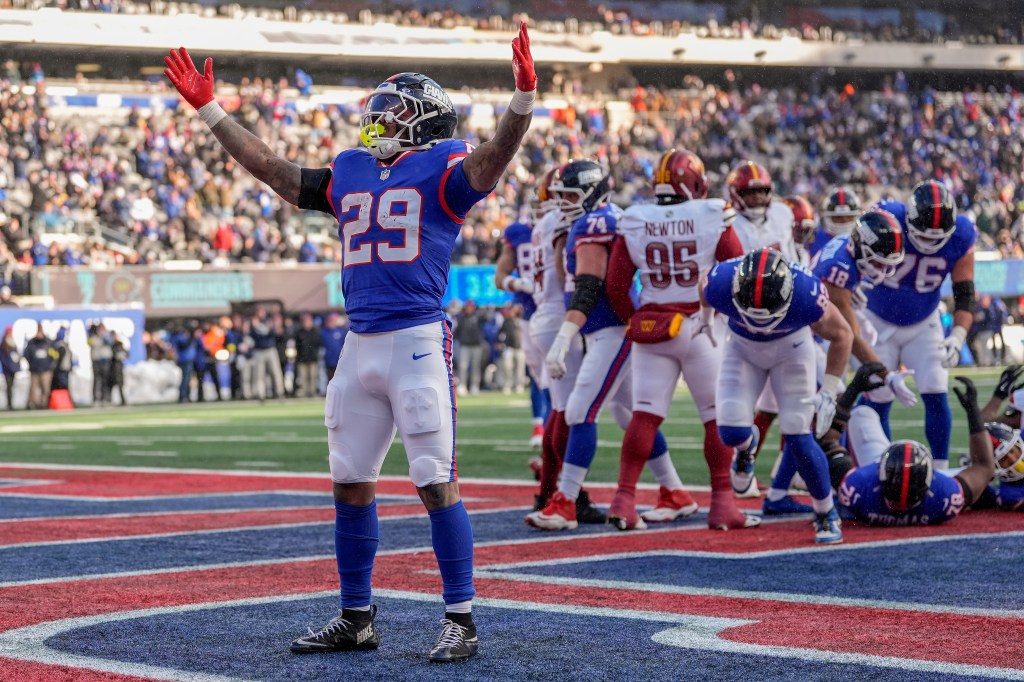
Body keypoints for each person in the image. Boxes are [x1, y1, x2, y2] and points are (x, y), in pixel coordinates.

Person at [164, 21, 535, 661]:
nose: (377, 119)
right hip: (359, 343)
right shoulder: (352, 170)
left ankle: (461, 619)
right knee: (349, 480)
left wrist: (522, 101)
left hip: (416, 339)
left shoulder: (444, 168)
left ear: (423, 121)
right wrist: (210, 110)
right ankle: (356, 616)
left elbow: (493, 158)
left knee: (434, 479)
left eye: (392, 110)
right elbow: (274, 170)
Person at [527, 159, 686, 530]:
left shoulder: (596, 222)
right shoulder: (597, 219)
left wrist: (564, 336)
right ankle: (675, 490)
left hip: (613, 329)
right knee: (629, 412)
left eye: (570, 196)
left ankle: (565, 502)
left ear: (593, 192)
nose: (562, 204)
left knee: (580, 409)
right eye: (560, 196)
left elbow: (588, 288)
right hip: (607, 328)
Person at [604, 148, 757, 531]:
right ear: (694, 182)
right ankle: (722, 503)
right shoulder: (711, 212)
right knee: (715, 417)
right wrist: (718, 315)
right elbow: (736, 270)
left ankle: (624, 500)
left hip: (653, 328)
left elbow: (616, 285)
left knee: (645, 415)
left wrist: (637, 319)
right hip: (699, 325)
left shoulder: (636, 218)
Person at [700, 248, 854, 544]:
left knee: (798, 435)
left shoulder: (807, 293)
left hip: (791, 351)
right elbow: (704, 287)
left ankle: (825, 512)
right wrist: (705, 319)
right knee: (730, 431)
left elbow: (843, 335)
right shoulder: (721, 280)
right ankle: (746, 447)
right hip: (742, 349)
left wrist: (829, 390)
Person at [861, 180, 977, 469]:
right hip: (877, 321)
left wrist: (958, 336)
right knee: (878, 396)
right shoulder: (889, 216)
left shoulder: (962, 234)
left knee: (936, 388)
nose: (928, 243)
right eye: (922, 234)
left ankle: (940, 471)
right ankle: (879, 469)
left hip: (924, 322)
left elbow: (965, 295)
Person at [836, 375, 994, 526]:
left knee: (862, 413)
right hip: (934, 492)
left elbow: (829, 444)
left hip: (871, 472)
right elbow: (984, 467)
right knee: (987, 482)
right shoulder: (944, 498)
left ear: (879, 473)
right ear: (930, 481)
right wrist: (973, 412)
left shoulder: (858, 488)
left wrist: (852, 391)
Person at [808, 185, 861, 261]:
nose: (843, 222)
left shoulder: (861, 241)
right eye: (838, 218)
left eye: (848, 217)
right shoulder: (814, 239)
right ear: (828, 217)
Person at [25, 324, 55, 410]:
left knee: (45, 388)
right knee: (33, 388)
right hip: (35, 370)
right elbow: (27, 354)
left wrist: (50, 366)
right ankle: (32, 404)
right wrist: (32, 364)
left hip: (46, 370)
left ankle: (44, 404)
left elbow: (54, 356)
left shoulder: (48, 342)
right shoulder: (32, 343)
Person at [294, 312, 322, 398]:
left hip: (313, 358)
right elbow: (297, 346)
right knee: (303, 377)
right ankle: (304, 393)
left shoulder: (315, 332)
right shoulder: (299, 332)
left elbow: (318, 344)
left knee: (313, 377)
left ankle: (312, 392)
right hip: (302, 358)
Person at [1, 326, 18, 410]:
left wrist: (17, 365)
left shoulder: (13, 343)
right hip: (7, 369)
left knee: (12, 386)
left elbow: (16, 356)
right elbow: (3, 357)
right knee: (9, 387)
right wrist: (7, 365)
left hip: (13, 368)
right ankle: (9, 404)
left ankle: (11, 403)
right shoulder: (4, 344)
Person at [110, 330, 128, 405]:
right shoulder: (110, 344)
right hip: (111, 367)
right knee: (110, 384)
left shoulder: (119, 344)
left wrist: (122, 355)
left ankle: (123, 400)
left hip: (118, 367)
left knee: (120, 384)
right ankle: (109, 400)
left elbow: (126, 353)